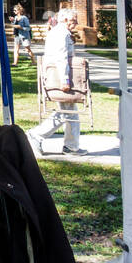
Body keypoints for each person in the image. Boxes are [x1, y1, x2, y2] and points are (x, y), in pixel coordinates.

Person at [29, 9, 86, 156]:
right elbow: (61, 58)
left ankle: (71, 146)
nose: (76, 24)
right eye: (74, 21)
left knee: (70, 111)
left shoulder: (58, 32)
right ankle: (36, 135)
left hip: (55, 75)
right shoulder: (62, 34)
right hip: (58, 76)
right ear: (65, 20)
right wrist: (65, 80)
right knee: (66, 111)